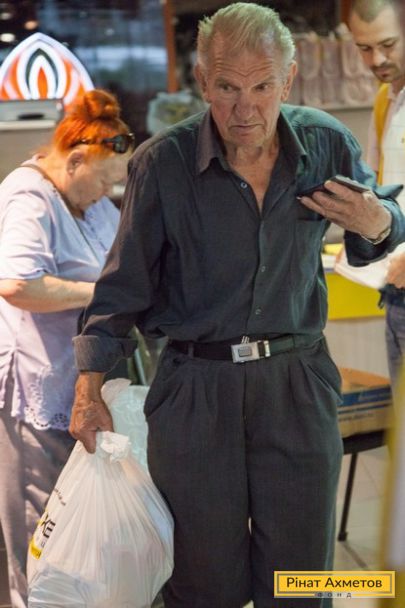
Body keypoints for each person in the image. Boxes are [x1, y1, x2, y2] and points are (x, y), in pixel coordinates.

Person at [70, 4, 405, 607]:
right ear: (203, 81)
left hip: (296, 382)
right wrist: (88, 388)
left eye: (262, 88)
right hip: (196, 387)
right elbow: (121, 287)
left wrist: (379, 221)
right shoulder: (162, 164)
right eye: (227, 87)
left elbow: (381, 221)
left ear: (289, 79)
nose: (244, 109)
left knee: (302, 582)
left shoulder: (325, 143)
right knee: (203, 584)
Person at [0, 88, 134, 608]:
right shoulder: (29, 196)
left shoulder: (89, 203)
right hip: (36, 388)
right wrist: (99, 293)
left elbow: (122, 258)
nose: (105, 193)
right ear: (76, 159)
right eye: (102, 180)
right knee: (42, 525)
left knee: (78, 527)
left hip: (79, 380)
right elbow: (16, 282)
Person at [349, 0, 405, 388]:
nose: (377, 60)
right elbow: (376, 188)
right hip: (396, 290)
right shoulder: (386, 100)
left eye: (388, 44)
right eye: (365, 48)